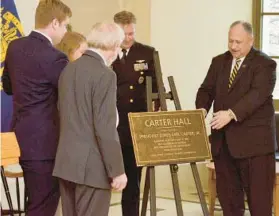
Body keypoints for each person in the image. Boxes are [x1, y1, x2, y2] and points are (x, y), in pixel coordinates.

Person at [195, 21, 277, 216]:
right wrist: (200, 111)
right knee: (230, 205)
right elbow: (206, 89)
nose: (233, 46)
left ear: (251, 40)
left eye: (238, 42)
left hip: (255, 148)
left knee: (259, 206)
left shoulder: (265, 64)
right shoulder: (219, 61)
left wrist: (230, 114)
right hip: (223, 146)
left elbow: (257, 95)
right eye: (230, 41)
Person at [1, 0, 71, 215]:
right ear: (54, 23)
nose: (66, 31)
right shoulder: (55, 57)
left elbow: (8, 87)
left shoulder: (14, 47)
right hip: (46, 144)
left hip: (23, 137)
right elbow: (69, 97)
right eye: (66, 25)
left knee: (36, 200)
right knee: (43, 205)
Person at [53, 22, 127, 216]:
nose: (118, 51)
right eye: (119, 46)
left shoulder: (67, 70)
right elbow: (105, 127)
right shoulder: (105, 75)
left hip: (66, 164)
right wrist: (117, 170)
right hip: (92, 169)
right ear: (112, 47)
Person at [112, 10, 159, 216]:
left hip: (135, 126)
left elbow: (157, 88)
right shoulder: (107, 51)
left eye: (132, 33)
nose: (129, 38)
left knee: (132, 181)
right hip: (111, 125)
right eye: (125, 34)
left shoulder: (147, 53)